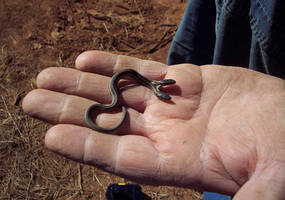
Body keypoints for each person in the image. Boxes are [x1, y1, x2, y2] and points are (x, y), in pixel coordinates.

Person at [22, 1, 285, 200]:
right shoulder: (151, 84)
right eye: (163, 93)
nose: (165, 95)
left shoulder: (156, 86)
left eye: (163, 94)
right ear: (158, 89)